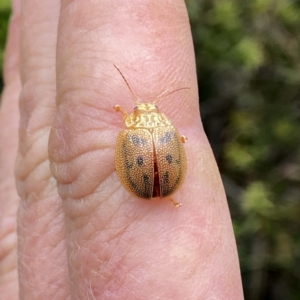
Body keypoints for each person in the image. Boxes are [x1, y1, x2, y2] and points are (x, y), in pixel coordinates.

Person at [0, 0, 244, 299]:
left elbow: (126, 150)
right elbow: (173, 145)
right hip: (158, 173)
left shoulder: (134, 129)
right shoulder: (167, 128)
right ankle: (169, 199)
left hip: (144, 177)